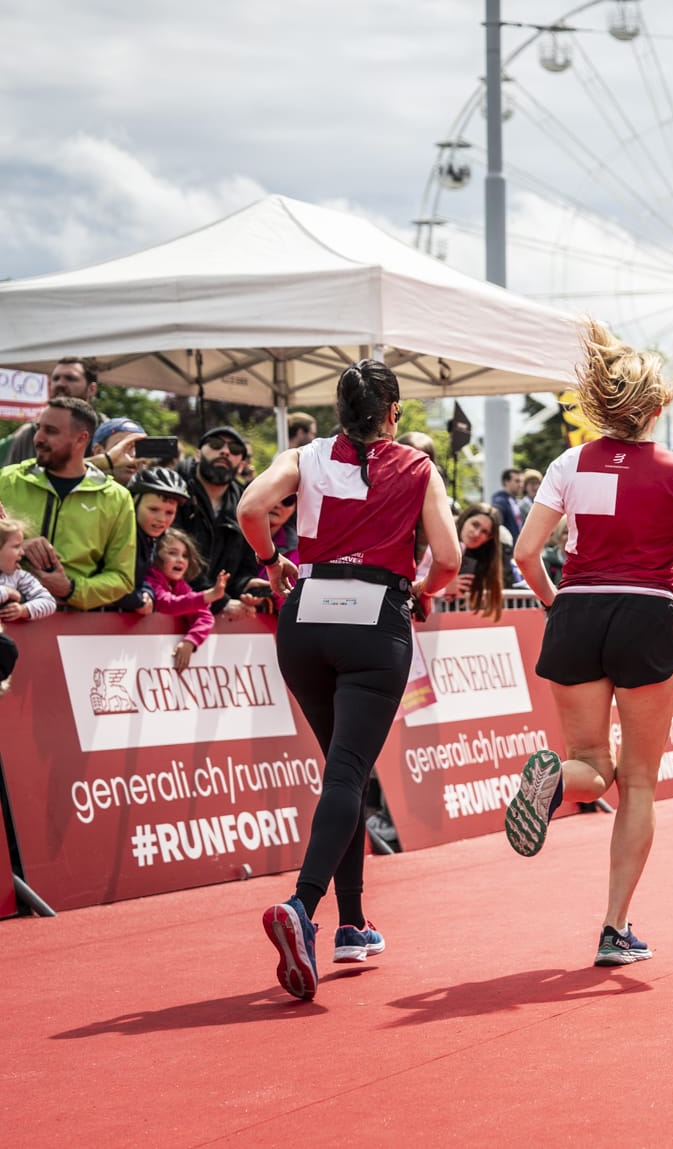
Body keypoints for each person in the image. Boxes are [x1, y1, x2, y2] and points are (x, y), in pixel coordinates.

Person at [504, 321, 673, 967]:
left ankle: (556, 778)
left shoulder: (568, 463)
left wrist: (556, 601)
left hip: (577, 610)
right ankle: (614, 927)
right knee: (637, 782)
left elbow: (525, 552)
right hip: (645, 612)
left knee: (590, 761)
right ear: (659, 406)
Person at [241, 360, 461, 1002]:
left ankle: (353, 924)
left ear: (339, 411)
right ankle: (303, 908)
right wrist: (423, 589)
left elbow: (253, 508)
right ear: (394, 413)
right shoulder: (419, 468)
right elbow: (447, 559)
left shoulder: (305, 456)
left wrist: (270, 560)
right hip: (375, 622)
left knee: (347, 770)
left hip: (305, 619)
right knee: (347, 773)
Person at [0, 397, 135, 610]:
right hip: (8, 621)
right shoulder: (6, 480)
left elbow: (122, 578)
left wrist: (71, 589)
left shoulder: (117, 498)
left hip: (74, 631)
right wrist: (14, 547)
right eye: (38, 428)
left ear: (81, 439)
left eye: (50, 431)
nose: (38, 438)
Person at [174, 425, 259, 606]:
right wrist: (221, 603)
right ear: (197, 455)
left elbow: (246, 564)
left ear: (241, 465)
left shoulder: (247, 503)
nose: (225, 451)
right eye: (215, 444)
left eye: (235, 449)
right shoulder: (175, 493)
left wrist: (246, 585)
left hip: (224, 617)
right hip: (173, 605)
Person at [110, 466, 191, 613]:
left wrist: (147, 592)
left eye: (170, 512)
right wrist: (138, 601)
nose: (162, 519)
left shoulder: (151, 538)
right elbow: (109, 584)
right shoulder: (118, 534)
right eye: (153, 509)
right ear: (134, 503)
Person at [4, 357, 97, 466]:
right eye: (56, 378)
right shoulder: (29, 434)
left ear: (91, 389)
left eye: (70, 378)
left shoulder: (108, 432)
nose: (60, 384)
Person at [147, 530, 216, 671]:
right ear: (155, 556)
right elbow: (167, 604)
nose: (180, 560)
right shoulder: (150, 579)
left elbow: (205, 616)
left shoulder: (180, 585)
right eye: (173, 553)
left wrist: (191, 641)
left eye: (185, 556)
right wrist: (205, 597)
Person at [0, 518, 58, 623]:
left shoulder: (19, 576)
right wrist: (7, 592)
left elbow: (49, 602)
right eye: (16, 546)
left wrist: (23, 610)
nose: (22, 552)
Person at [490, 468, 526, 540]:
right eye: (517, 481)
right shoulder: (499, 502)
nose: (521, 485)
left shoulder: (516, 501)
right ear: (506, 482)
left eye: (522, 481)